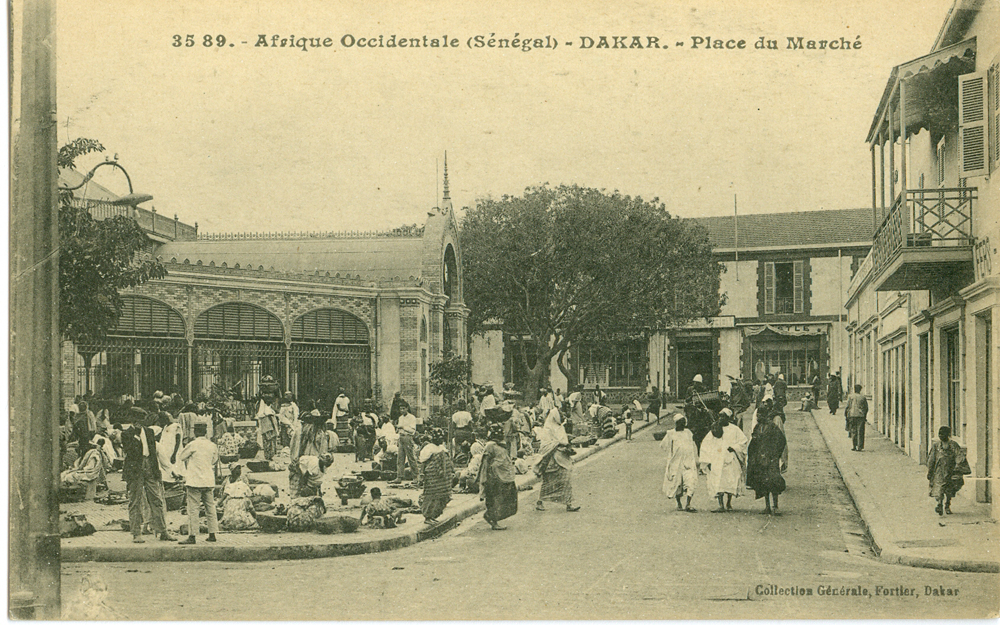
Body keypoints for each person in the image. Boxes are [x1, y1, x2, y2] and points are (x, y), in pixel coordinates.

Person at [121, 408, 175, 543]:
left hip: (149, 467)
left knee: (157, 500)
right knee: (135, 501)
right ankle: (136, 533)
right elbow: (129, 451)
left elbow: (153, 453)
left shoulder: (150, 432)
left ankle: (162, 531)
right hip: (135, 470)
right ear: (133, 419)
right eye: (139, 419)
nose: (142, 422)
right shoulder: (126, 434)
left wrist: (157, 472)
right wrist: (136, 434)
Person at [177, 422, 219, 544]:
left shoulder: (192, 444)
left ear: (195, 432)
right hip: (208, 480)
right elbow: (214, 460)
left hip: (195, 481)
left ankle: (193, 536)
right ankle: (212, 534)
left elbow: (182, 457)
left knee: (193, 510)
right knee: (210, 508)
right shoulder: (212, 445)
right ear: (205, 432)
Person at [700, 409, 748, 512]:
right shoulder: (715, 429)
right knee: (718, 482)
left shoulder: (734, 429)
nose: (721, 418)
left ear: (728, 418)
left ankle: (729, 503)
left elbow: (743, 441)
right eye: (720, 416)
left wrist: (734, 447)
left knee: (730, 481)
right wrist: (708, 461)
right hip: (717, 460)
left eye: (723, 416)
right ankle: (721, 505)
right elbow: (706, 444)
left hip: (730, 459)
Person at [534, 408, 580, 512]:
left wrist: (566, 443)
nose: (563, 416)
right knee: (548, 483)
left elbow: (562, 439)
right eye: (561, 414)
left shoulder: (560, 427)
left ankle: (569, 504)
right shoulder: (548, 428)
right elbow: (546, 444)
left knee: (566, 480)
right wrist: (560, 444)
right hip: (552, 460)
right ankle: (540, 501)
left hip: (562, 458)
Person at [478, 423, 518, 530]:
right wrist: (484, 479)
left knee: (508, 498)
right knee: (496, 499)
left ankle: (492, 518)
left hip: (504, 476)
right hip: (495, 477)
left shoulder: (501, 444)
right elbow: (485, 464)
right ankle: (493, 520)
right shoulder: (490, 446)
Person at [746, 411, 787, 515]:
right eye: (758, 416)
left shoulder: (773, 428)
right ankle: (767, 506)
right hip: (760, 459)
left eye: (760, 415)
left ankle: (775, 506)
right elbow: (753, 443)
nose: (759, 417)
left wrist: (775, 455)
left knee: (774, 482)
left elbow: (781, 441)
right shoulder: (757, 427)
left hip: (771, 459)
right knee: (763, 483)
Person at [661, 414, 698, 512]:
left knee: (690, 482)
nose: (682, 424)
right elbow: (664, 446)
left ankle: (688, 504)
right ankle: (679, 503)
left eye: (683, 422)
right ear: (676, 423)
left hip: (688, 462)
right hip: (676, 463)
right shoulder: (670, 433)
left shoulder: (688, 432)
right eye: (680, 422)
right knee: (677, 484)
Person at [927, 426, 965, 516]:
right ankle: (939, 505)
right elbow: (931, 459)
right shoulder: (936, 446)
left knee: (949, 489)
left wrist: (957, 467)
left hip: (951, 471)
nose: (940, 436)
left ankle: (947, 506)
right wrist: (930, 471)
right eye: (939, 434)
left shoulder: (953, 445)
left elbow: (959, 456)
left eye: (942, 434)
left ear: (948, 434)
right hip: (939, 471)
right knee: (939, 488)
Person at [418, 428, 454, 524]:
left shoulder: (442, 447)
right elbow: (423, 462)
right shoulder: (429, 448)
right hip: (432, 477)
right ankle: (428, 517)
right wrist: (421, 475)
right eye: (437, 438)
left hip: (442, 478)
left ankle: (433, 516)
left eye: (441, 438)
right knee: (431, 496)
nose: (439, 440)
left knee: (441, 496)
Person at [218, 464, 258, 530]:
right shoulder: (227, 479)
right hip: (230, 499)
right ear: (232, 471)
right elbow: (222, 492)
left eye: (240, 469)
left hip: (234, 499)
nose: (239, 471)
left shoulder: (243, 479)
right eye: (237, 469)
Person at [394, 404, 419, 482]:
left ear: (407, 408)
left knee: (411, 458)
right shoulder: (400, 418)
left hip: (408, 437)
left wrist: (403, 427)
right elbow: (399, 429)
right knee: (400, 458)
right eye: (400, 409)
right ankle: (399, 476)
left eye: (403, 409)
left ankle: (416, 476)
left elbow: (412, 430)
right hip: (401, 437)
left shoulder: (412, 418)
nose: (402, 410)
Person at [845, 384, 869, 452]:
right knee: (860, 431)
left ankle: (854, 446)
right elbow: (866, 408)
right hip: (860, 416)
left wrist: (847, 415)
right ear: (860, 390)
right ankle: (860, 446)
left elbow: (848, 407)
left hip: (852, 415)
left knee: (853, 431)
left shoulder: (850, 396)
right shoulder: (863, 397)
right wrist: (865, 415)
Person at [256, 397, 279, 461]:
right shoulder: (265, 410)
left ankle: (270, 455)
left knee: (271, 441)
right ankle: (268, 455)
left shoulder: (269, 409)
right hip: (267, 426)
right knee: (268, 441)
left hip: (270, 426)